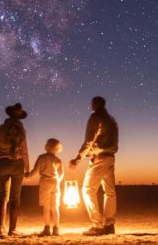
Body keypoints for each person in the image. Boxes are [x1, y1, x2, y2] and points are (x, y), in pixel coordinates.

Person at [69, 96, 119, 236]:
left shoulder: (96, 117)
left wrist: (78, 158)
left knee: (87, 190)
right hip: (110, 158)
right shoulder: (111, 120)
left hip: (99, 158)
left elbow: (89, 140)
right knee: (109, 192)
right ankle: (109, 225)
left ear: (95, 104)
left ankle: (97, 225)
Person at [0, 102, 30, 237]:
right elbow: (24, 150)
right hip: (17, 164)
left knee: (3, 196)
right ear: (19, 117)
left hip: (3, 163)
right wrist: (27, 168)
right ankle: (12, 230)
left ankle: (0, 229)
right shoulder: (21, 130)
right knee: (15, 198)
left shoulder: (0, 128)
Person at [28, 138, 64, 237]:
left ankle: (47, 229)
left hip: (45, 182)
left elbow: (35, 170)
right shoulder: (58, 160)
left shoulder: (41, 157)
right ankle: (56, 229)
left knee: (46, 207)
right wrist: (57, 181)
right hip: (55, 182)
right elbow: (61, 174)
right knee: (55, 207)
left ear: (47, 146)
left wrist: (28, 175)